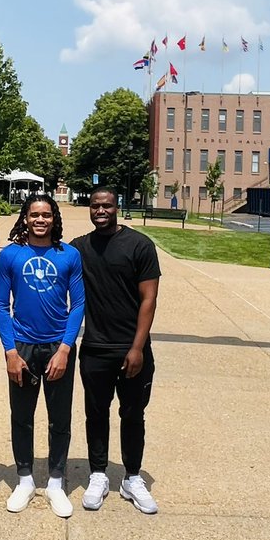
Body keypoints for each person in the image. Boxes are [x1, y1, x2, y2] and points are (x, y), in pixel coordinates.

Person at [72, 186, 161, 514]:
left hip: (132, 350)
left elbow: (149, 299)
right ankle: (98, 474)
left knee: (133, 414)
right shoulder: (80, 248)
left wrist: (137, 347)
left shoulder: (140, 245)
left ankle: (132, 477)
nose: (100, 211)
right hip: (95, 348)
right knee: (96, 414)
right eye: (95, 205)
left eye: (107, 205)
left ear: (117, 207)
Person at [0, 194, 84, 518]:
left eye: (46, 214)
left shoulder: (69, 255)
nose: (40, 220)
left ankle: (56, 482)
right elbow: (0, 305)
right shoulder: (11, 255)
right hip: (22, 347)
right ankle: (25, 479)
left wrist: (65, 348)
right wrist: (9, 351)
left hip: (57, 346)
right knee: (21, 416)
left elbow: (78, 304)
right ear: (25, 218)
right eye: (34, 214)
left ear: (54, 218)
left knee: (59, 418)